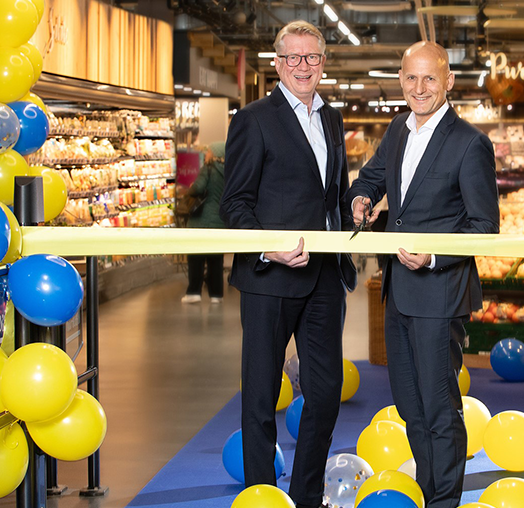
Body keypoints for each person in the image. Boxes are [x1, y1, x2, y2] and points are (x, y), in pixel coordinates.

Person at [347, 41, 500, 508]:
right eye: (411, 78)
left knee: (438, 408)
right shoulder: (396, 130)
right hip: (398, 291)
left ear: (448, 81)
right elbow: (371, 179)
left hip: (439, 291)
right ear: (400, 80)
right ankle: (431, 490)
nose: (420, 88)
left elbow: (483, 227)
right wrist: (361, 199)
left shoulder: (470, 143)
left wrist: (433, 256)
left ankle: (443, 501)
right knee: (411, 408)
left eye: (430, 78)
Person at [219, 20, 357, 508]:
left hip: (323, 277)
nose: (303, 66)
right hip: (269, 278)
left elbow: (334, 194)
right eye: (293, 58)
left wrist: (353, 218)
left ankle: (306, 494)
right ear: (277, 64)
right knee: (260, 395)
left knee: (324, 393)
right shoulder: (254, 119)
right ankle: (262, 495)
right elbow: (234, 203)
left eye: (312, 58)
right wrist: (267, 246)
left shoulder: (333, 119)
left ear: (323, 63)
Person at [182, 142, 226, 304]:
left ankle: (194, 291)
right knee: (216, 259)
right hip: (219, 220)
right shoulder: (229, 171)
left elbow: (198, 188)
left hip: (201, 220)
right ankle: (216, 295)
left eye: (208, 151)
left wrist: (191, 187)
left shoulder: (208, 168)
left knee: (196, 257)